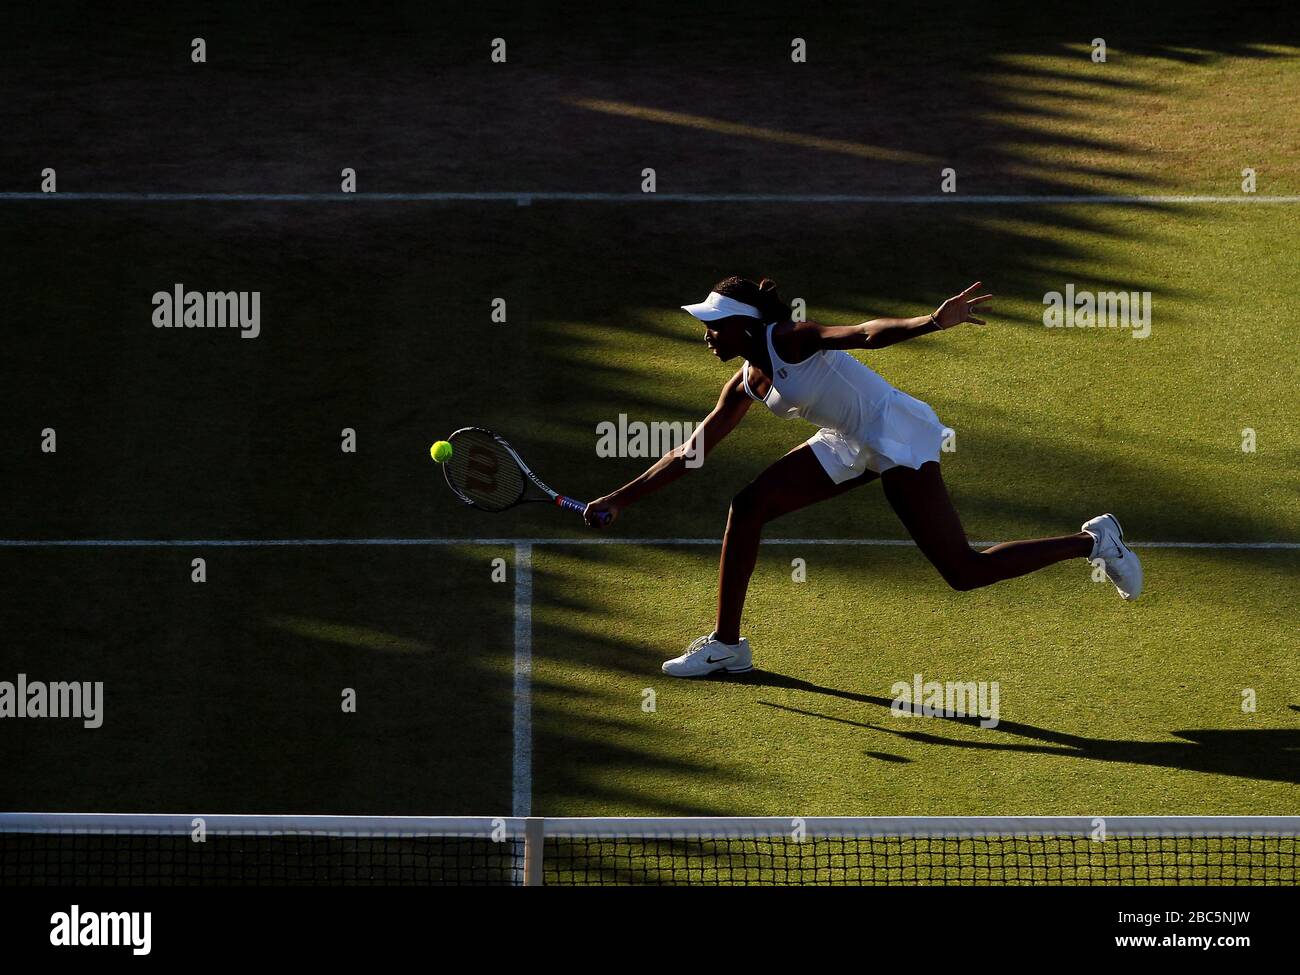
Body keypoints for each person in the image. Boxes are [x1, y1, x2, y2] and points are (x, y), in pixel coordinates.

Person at [584, 276, 1141, 677]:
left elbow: (866, 333)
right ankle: (728, 645)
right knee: (748, 506)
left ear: (744, 326)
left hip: (893, 434)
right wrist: (618, 499)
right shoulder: (745, 381)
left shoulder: (792, 339)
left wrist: (931, 321)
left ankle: (1095, 541)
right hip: (845, 441)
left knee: (965, 571)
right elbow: (691, 451)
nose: (706, 335)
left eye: (714, 326)